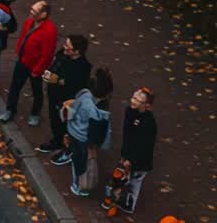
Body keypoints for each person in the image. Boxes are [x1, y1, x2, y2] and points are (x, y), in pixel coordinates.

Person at [0, 0, 57, 126]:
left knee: (37, 91)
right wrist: (18, 51)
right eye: (32, 9)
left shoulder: (50, 31)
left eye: (34, 11)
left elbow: (47, 54)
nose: (31, 12)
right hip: (22, 61)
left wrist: (37, 70)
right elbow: (23, 37)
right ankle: (10, 109)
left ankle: (35, 113)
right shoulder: (29, 21)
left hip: (35, 67)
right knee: (15, 86)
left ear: (43, 14)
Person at [37, 34, 93, 160]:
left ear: (77, 51)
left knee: (65, 126)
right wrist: (52, 77)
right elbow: (53, 67)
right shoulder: (63, 53)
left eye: (68, 46)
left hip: (67, 102)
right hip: (54, 95)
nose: (64, 47)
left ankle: (66, 149)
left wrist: (58, 80)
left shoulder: (83, 67)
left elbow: (75, 86)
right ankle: (56, 141)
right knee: (54, 121)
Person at [106, 87, 156, 214]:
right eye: (133, 97)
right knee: (125, 178)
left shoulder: (148, 123)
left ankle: (127, 204)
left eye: (138, 100)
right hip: (129, 154)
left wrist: (130, 160)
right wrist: (125, 155)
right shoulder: (130, 111)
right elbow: (128, 135)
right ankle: (121, 199)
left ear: (147, 106)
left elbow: (143, 146)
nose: (133, 101)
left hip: (140, 160)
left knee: (133, 181)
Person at [65, 67, 113, 197]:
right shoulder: (98, 111)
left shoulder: (83, 95)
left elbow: (72, 111)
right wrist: (95, 145)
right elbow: (96, 132)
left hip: (74, 132)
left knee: (77, 159)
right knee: (82, 162)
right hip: (84, 139)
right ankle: (80, 186)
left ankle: (77, 183)